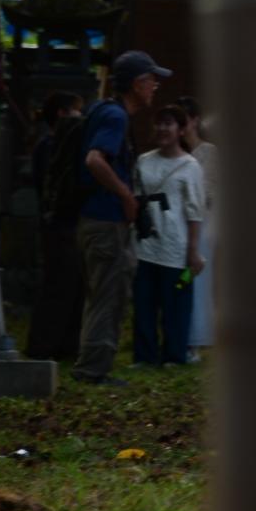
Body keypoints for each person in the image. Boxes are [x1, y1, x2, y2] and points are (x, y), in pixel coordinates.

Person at [73, 49, 170, 385]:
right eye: (150, 79)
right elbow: (95, 160)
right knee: (108, 295)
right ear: (135, 84)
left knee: (101, 293)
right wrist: (126, 195)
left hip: (93, 219)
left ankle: (92, 363)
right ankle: (93, 370)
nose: (155, 85)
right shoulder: (116, 117)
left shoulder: (100, 110)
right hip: (106, 220)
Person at [132, 105, 206, 367]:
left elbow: (195, 209)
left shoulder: (190, 166)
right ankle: (145, 355)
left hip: (176, 244)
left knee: (175, 303)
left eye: (169, 124)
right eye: (159, 123)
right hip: (145, 242)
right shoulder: (143, 161)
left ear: (181, 129)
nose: (163, 129)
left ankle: (174, 354)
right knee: (144, 302)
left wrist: (194, 250)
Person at [24, 91, 85, 362]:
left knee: (71, 285)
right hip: (59, 223)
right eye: (75, 111)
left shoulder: (50, 145)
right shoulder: (52, 146)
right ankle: (45, 346)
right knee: (58, 285)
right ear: (62, 113)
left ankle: (64, 345)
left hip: (60, 222)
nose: (79, 117)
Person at [177, 98, 216, 359]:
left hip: (202, 227)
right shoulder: (174, 154)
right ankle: (180, 334)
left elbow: (210, 193)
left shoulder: (209, 153)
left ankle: (196, 338)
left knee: (196, 280)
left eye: (184, 120)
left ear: (194, 121)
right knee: (179, 282)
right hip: (175, 228)